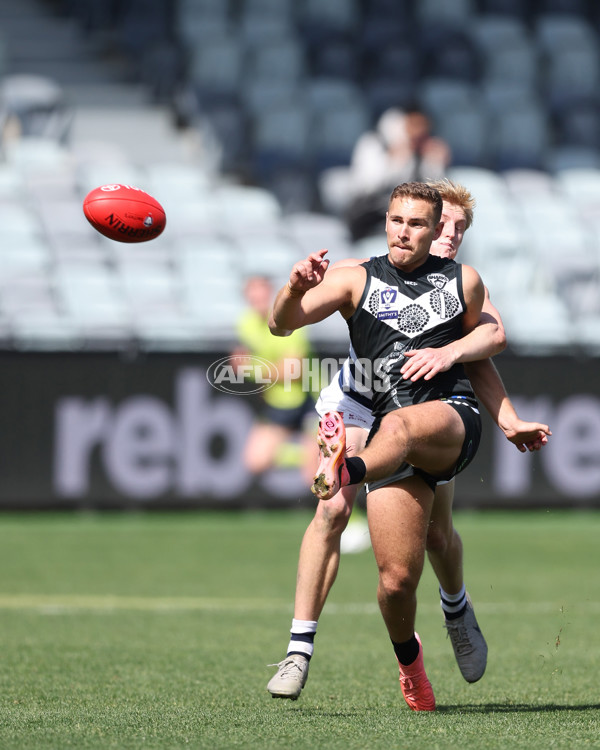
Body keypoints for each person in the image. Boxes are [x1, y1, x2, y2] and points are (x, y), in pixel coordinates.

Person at [268, 182, 551, 711]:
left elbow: (489, 343)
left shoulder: (462, 283)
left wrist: (498, 407)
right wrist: (293, 287)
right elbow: (284, 323)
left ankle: (455, 607)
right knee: (331, 512)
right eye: (441, 225)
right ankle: (297, 650)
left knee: (437, 537)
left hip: (428, 408)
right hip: (359, 398)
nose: (449, 236)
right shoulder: (365, 271)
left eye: (457, 229)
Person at [233, 275, 318, 484]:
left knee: (315, 478)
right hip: (279, 402)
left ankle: (355, 515)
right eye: (252, 295)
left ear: (270, 293)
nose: (257, 300)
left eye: (261, 293)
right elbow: (238, 361)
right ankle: (306, 455)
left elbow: (293, 371)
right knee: (254, 461)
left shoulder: (289, 317)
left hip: (311, 399)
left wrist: (253, 369)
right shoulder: (246, 323)